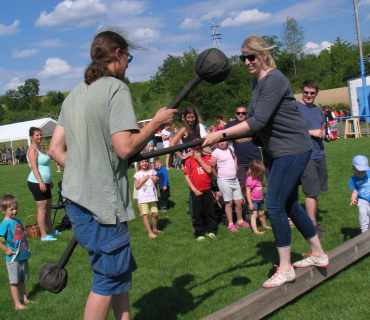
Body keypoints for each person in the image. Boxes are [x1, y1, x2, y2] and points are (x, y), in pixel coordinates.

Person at [48, 29, 176, 320]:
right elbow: (124, 147)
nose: (129, 65)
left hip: (77, 203)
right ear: (117, 54)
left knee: (118, 276)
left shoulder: (73, 96)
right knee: (106, 281)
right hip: (103, 208)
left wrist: (85, 170)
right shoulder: (115, 89)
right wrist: (155, 122)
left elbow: (55, 149)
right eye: (128, 58)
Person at [203, 34, 328, 288]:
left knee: (275, 205)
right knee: (290, 204)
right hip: (276, 150)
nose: (247, 61)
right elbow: (255, 118)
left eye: (251, 56)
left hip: (292, 149)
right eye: (243, 57)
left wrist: (221, 133)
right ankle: (318, 254)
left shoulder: (274, 79)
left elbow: (258, 120)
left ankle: (285, 269)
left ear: (263, 54)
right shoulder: (256, 82)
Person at [297, 80, 331, 238]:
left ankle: (314, 222)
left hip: (320, 154)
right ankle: (311, 227)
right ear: (301, 92)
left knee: (316, 191)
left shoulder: (318, 110)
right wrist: (312, 132)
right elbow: (292, 130)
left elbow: (322, 129)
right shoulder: (296, 108)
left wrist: (326, 136)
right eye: (306, 92)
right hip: (306, 155)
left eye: (312, 93)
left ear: (316, 93)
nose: (309, 95)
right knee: (311, 191)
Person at [0, 195, 33, 310]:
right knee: (14, 281)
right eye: (11, 209)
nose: (15, 211)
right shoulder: (5, 224)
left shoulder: (17, 221)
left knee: (22, 279)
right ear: (3, 210)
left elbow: (21, 235)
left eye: (16, 208)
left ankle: (25, 299)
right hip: (13, 258)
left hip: (22, 255)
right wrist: (6, 249)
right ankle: (17, 304)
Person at [27, 127, 58, 241]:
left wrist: (48, 181)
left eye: (40, 135)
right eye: (37, 135)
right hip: (36, 183)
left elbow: (44, 166)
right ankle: (44, 235)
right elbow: (34, 167)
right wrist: (41, 181)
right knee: (42, 209)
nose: (40, 137)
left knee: (48, 207)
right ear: (31, 137)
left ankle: (51, 231)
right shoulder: (32, 150)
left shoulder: (39, 148)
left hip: (44, 182)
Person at [224, 106, 261, 200]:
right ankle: (246, 205)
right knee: (242, 186)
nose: (241, 115)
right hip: (240, 160)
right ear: (235, 114)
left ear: (247, 114)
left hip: (254, 158)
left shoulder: (252, 123)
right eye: (238, 113)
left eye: (243, 113)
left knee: (256, 185)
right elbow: (222, 138)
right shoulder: (230, 125)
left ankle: (256, 205)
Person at [211, 140, 249, 232]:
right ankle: (230, 224)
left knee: (239, 201)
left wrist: (235, 164)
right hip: (224, 181)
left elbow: (235, 157)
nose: (221, 143)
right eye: (219, 142)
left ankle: (240, 221)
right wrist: (217, 176)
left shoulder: (231, 149)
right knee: (229, 203)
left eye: (223, 141)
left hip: (234, 179)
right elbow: (211, 166)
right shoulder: (216, 152)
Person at [184, 145, 217, 241]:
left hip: (207, 189)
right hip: (195, 190)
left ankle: (212, 230)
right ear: (192, 150)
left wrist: (199, 160)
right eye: (196, 149)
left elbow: (209, 170)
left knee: (210, 211)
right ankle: (199, 233)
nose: (198, 151)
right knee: (197, 213)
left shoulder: (206, 158)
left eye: (200, 149)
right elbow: (187, 177)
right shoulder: (189, 161)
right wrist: (194, 190)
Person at [134, 159, 162, 238]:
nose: (144, 163)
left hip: (152, 196)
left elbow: (156, 182)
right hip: (144, 198)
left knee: (156, 214)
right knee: (145, 215)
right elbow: (137, 187)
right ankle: (150, 233)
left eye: (146, 161)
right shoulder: (138, 174)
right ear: (139, 163)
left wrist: (156, 179)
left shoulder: (152, 171)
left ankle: (155, 229)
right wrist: (143, 180)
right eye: (142, 161)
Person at [246, 160, 271, 235]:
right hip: (254, 201)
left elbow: (258, 185)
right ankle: (256, 231)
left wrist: (264, 184)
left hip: (260, 199)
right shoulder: (250, 180)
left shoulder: (256, 178)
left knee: (262, 213)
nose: (260, 175)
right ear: (254, 171)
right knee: (254, 215)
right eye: (259, 173)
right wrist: (250, 203)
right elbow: (248, 192)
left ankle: (264, 225)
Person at [350, 155, 370, 233]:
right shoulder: (353, 179)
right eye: (359, 173)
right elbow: (354, 192)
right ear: (354, 169)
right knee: (363, 213)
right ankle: (364, 233)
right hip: (362, 200)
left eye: (363, 172)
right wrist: (353, 199)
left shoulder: (369, 173)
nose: (361, 175)